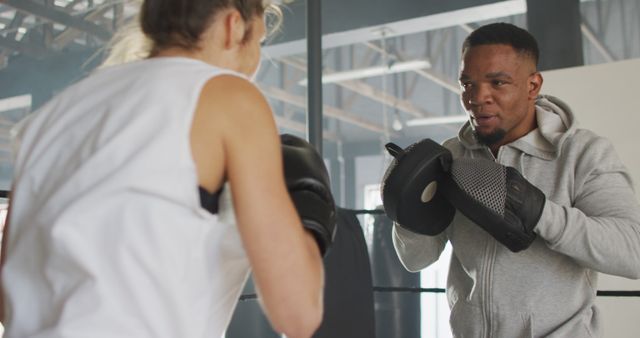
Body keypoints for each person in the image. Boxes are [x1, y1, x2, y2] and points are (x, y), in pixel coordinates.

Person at [0, 1, 335, 337]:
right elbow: (297, 314)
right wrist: (306, 216)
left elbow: (6, 300)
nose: (255, 61)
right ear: (233, 26)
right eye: (259, 42)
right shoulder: (229, 95)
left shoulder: (46, 121)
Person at [392, 22, 640, 337]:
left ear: (532, 86)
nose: (477, 98)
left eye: (498, 82)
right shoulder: (450, 157)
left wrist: (540, 212)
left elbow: (632, 253)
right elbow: (415, 260)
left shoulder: (582, 154)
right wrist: (405, 209)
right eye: (467, 84)